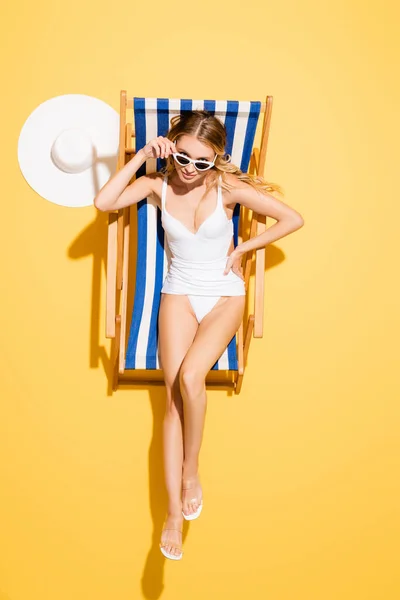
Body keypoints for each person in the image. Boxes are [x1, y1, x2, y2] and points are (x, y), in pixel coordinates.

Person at [94, 110, 304, 560]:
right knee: (171, 400)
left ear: (217, 161)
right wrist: (142, 157)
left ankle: (192, 472)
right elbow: (104, 202)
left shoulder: (227, 189)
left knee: (192, 379)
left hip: (224, 296)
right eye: (184, 157)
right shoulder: (158, 186)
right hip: (179, 294)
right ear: (171, 147)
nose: (190, 169)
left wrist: (246, 248)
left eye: (203, 162)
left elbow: (292, 218)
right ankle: (173, 513)